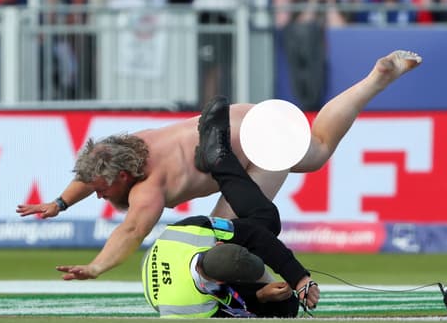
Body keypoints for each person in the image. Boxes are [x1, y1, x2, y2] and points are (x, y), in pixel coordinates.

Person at [25, 50, 423, 281]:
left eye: (100, 189)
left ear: (124, 178)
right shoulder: (130, 145)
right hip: (244, 117)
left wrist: (96, 267)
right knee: (315, 148)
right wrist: (59, 203)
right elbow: (92, 171)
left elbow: (130, 231)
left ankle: (270, 290)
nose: (97, 193)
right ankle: (374, 79)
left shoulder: (148, 187)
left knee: (229, 235)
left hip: (256, 144)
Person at [133, 96, 320, 318]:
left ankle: (219, 160)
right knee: (266, 219)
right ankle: (220, 161)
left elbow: (257, 237)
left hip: (177, 257)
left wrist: (299, 278)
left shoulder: (195, 231)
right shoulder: (195, 307)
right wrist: (259, 295)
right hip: (179, 283)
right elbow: (268, 310)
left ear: (219, 243)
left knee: (266, 221)